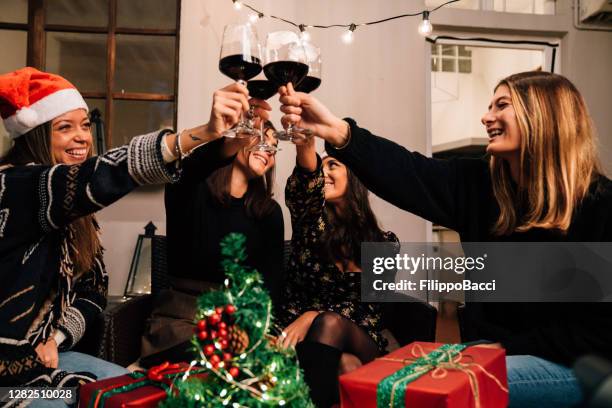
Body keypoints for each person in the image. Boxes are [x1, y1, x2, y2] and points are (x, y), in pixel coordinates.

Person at [278, 71, 612, 408]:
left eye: (502, 105)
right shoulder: (481, 186)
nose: (486, 116)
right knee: (393, 383)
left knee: (438, 391)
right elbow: (409, 172)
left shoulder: (600, 205)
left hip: (574, 363)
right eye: (489, 106)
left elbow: (597, 333)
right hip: (492, 350)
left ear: (543, 116)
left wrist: (499, 350)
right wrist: (339, 131)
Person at [0, 67, 269, 393]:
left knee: (142, 395)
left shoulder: (75, 215)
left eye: (85, 125)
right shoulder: (13, 186)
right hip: (9, 370)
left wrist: (55, 338)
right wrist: (206, 132)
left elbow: (94, 289)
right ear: (35, 137)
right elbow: (104, 175)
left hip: (53, 358)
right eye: (64, 127)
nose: (83, 137)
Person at [139, 122, 283, 368]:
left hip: (239, 326)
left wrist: (260, 329)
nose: (267, 148)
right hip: (180, 322)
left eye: (274, 146)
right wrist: (229, 139)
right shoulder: (189, 190)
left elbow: (271, 285)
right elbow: (187, 167)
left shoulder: (269, 213)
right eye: (259, 138)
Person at [276, 130, 398, 407]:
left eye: (333, 164)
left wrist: (315, 314)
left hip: (360, 335)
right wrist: (305, 147)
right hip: (302, 338)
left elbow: (371, 311)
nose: (325, 172)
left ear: (355, 174)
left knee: (330, 323)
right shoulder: (309, 224)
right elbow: (303, 188)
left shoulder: (384, 242)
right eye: (322, 166)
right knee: (347, 364)